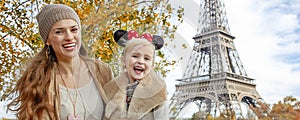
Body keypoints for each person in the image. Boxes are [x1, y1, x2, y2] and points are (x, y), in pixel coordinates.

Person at [7, 4, 113, 120]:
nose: (69, 37)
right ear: (47, 40)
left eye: (74, 29)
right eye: (59, 32)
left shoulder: (102, 71)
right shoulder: (38, 81)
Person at [104, 30, 169, 119]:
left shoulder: (158, 95)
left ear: (152, 64)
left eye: (146, 58)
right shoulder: (110, 92)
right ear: (123, 60)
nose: (140, 61)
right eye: (135, 56)